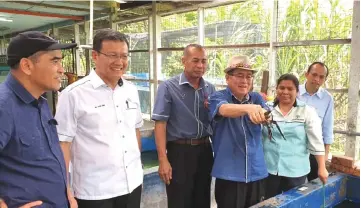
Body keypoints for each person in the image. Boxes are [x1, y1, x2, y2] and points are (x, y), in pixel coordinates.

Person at [55, 29, 143, 208]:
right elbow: (63, 143)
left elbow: (135, 130)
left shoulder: (131, 90)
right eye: (112, 55)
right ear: (95, 55)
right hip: (94, 191)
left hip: (132, 184)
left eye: (124, 56)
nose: (120, 62)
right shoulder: (73, 95)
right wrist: (66, 188)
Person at [0, 31, 77, 208]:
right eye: (54, 61)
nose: (62, 69)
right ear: (27, 66)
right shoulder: (4, 106)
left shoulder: (40, 102)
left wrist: (68, 194)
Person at [152, 44, 215, 208]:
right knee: (179, 201)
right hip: (179, 152)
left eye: (203, 61)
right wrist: (162, 159)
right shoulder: (168, 87)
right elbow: (160, 124)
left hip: (205, 150)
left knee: (202, 199)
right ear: (183, 61)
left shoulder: (210, 88)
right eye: (195, 61)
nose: (200, 66)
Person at [208, 55, 269, 208]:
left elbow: (268, 113)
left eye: (249, 76)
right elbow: (224, 109)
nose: (245, 80)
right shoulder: (218, 96)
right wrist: (249, 108)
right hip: (229, 173)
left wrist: (264, 115)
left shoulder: (256, 98)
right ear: (227, 78)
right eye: (239, 75)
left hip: (256, 170)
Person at [262, 73, 329, 199]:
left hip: (296, 171)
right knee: (269, 202)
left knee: (293, 202)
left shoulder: (307, 111)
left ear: (297, 91)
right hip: (270, 169)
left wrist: (322, 167)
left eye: (290, 89)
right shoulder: (267, 109)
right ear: (276, 89)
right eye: (281, 88)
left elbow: (316, 141)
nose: (285, 92)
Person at [298, 62, 334, 182]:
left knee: (313, 186)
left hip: (315, 151)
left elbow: (327, 129)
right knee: (294, 187)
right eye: (314, 75)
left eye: (321, 77)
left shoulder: (327, 98)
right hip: (295, 149)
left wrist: (324, 159)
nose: (317, 79)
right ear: (306, 74)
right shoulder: (294, 92)